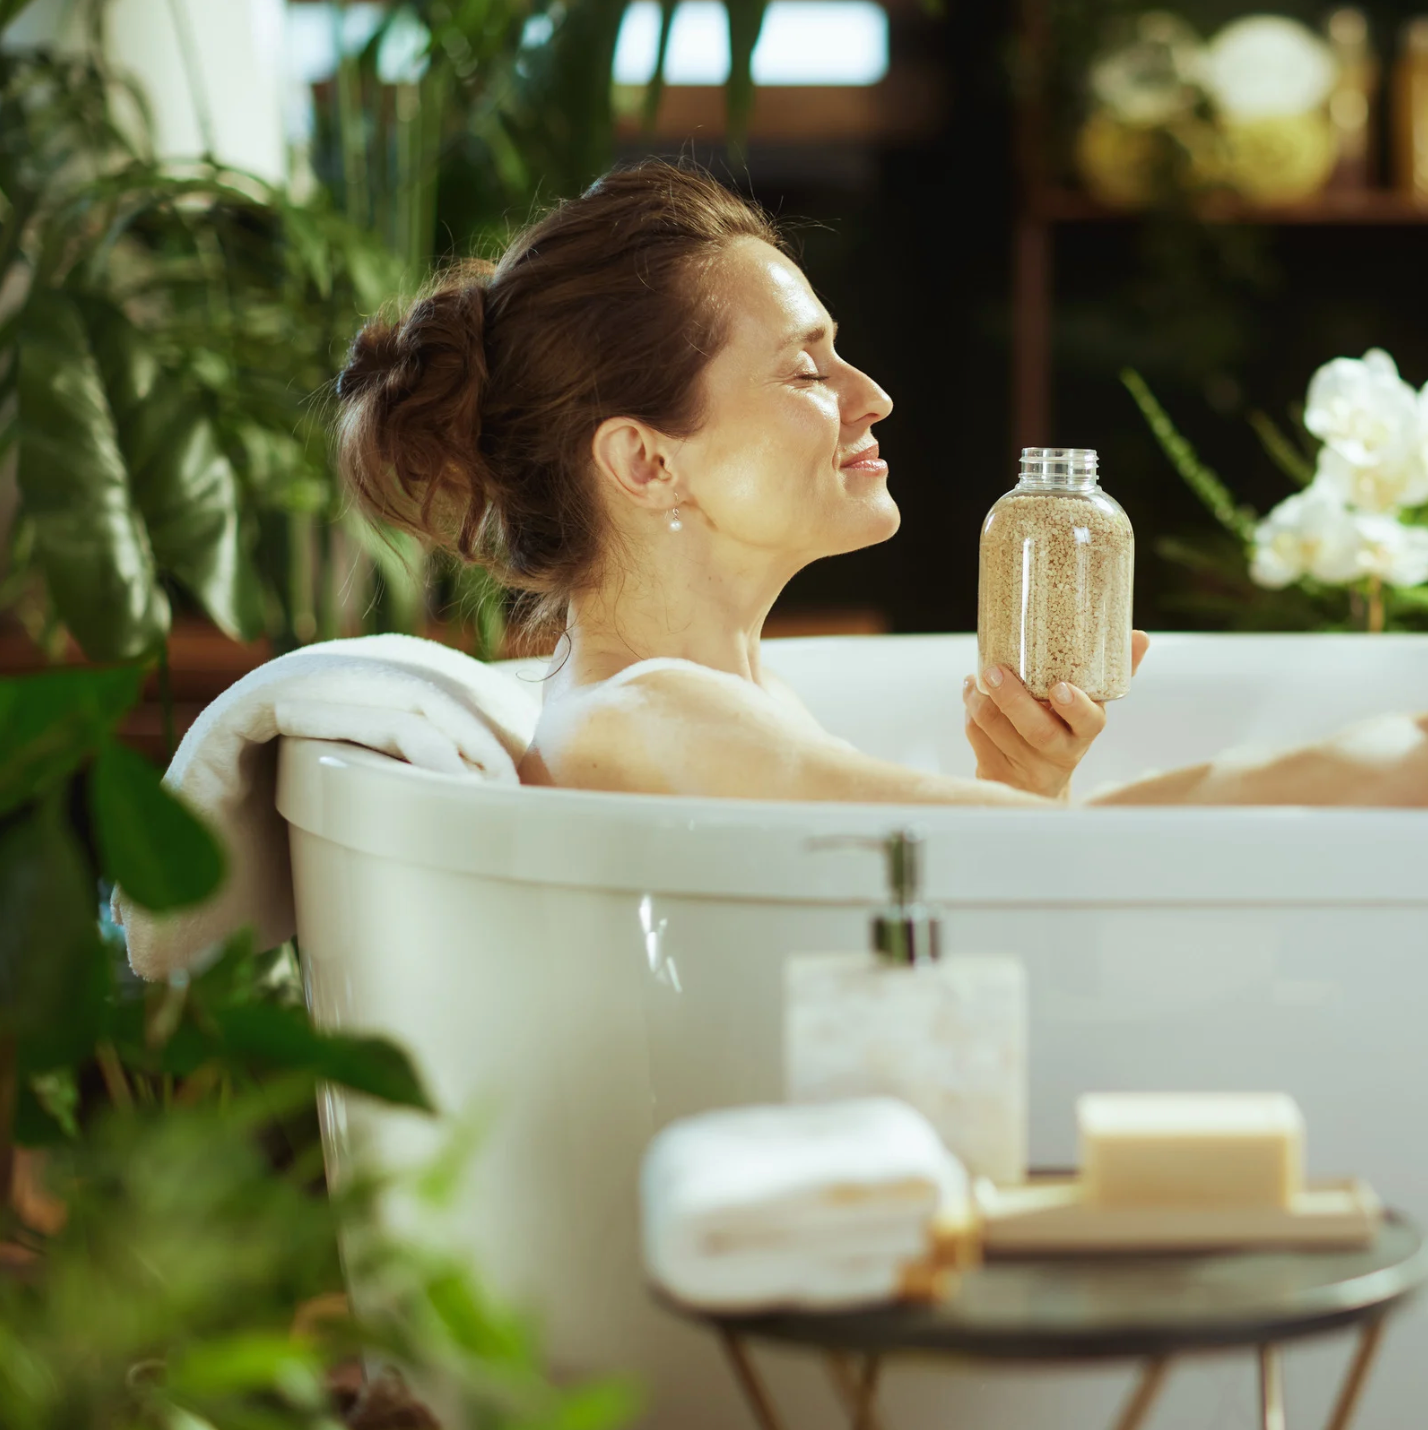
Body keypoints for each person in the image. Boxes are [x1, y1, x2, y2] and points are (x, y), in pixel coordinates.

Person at [335, 161, 1428, 809]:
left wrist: (1026, 788)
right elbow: (1024, 864)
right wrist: (1364, 765)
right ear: (646, 460)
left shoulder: (731, 702)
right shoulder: (650, 714)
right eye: (806, 367)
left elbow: (955, 888)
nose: (873, 395)